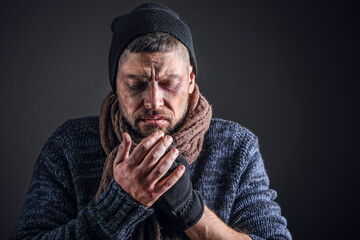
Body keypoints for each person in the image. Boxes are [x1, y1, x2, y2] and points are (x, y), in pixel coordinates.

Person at [12, 3, 291, 240]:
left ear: (191, 80)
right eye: (136, 84)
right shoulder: (69, 145)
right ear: (115, 84)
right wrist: (119, 206)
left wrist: (192, 213)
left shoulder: (236, 147)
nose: (154, 101)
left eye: (170, 83)